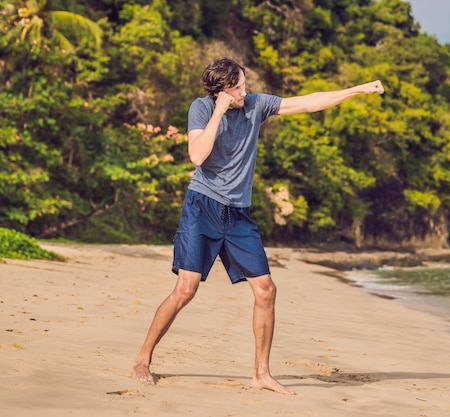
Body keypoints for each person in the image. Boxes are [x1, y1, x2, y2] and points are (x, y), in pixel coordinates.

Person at [131, 58, 385, 395]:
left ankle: (261, 374)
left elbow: (307, 102)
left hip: (239, 215)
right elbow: (196, 155)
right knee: (186, 289)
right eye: (237, 88)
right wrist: (220, 112)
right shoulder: (201, 109)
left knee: (266, 290)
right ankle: (142, 359)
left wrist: (358, 89)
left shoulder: (257, 105)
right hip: (202, 207)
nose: (244, 92)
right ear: (221, 90)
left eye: (244, 85)